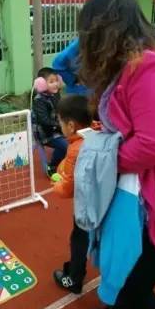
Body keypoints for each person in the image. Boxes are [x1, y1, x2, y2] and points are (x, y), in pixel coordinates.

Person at [78, 0, 155, 309]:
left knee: (137, 286)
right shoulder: (126, 65)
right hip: (129, 188)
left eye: (88, 33)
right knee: (117, 259)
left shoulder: (147, 67)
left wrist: (103, 163)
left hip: (151, 196)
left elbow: (154, 143)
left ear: (106, 30)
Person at [51, 94, 94, 294]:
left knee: (79, 239)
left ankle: (74, 280)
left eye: (60, 122)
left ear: (70, 125)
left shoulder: (76, 149)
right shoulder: (96, 132)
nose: (59, 126)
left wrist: (56, 183)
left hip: (85, 205)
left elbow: (68, 188)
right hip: (103, 199)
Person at [31, 67, 67, 176]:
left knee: (77, 140)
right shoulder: (39, 100)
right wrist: (60, 125)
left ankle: (66, 163)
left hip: (56, 129)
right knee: (66, 145)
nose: (55, 84)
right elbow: (44, 121)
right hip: (45, 133)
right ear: (41, 84)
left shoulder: (55, 94)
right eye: (51, 81)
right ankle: (53, 166)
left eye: (56, 80)